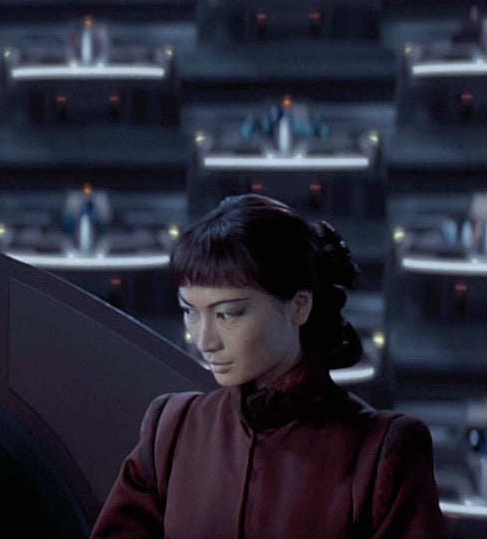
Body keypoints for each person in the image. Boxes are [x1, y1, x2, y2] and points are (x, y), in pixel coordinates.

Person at [91, 194, 446, 539]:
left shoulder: (382, 452)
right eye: (190, 312)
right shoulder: (171, 429)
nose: (204, 340)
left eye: (227, 314)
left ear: (299, 306)